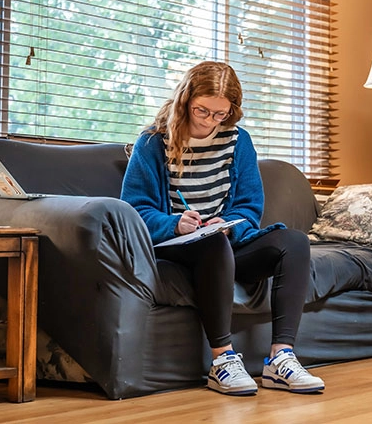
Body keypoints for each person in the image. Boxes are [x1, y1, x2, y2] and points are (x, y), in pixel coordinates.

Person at [121, 61, 324, 395]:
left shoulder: (238, 141)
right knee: (212, 245)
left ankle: (281, 359)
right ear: (184, 100)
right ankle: (223, 361)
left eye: (220, 114)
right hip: (181, 248)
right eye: (203, 111)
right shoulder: (151, 144)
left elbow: (249, 206)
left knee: (295, 242)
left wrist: (229, 225)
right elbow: (134, 209)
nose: (209, 121)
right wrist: (175, 224)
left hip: (225, 241)